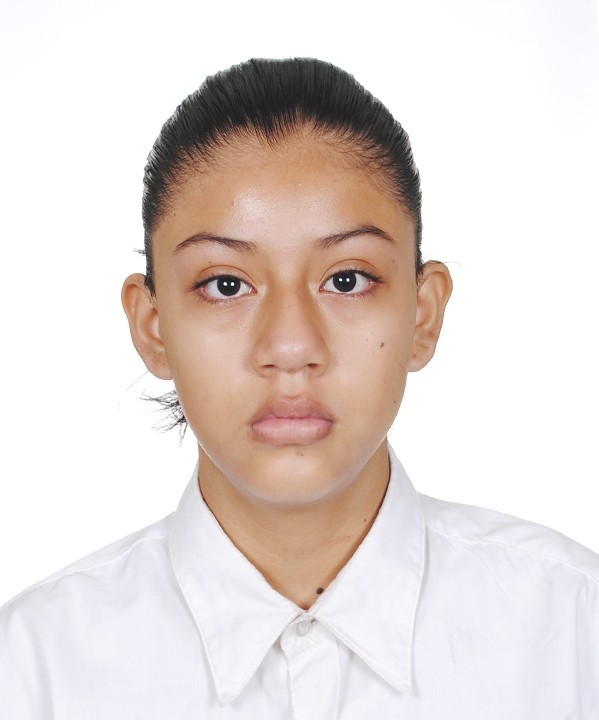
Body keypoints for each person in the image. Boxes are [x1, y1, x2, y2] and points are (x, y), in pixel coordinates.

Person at [1, 57, 597, 719]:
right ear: (153, 327)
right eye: (225, 284)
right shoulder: (32, 668)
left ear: (423, 315)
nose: (289, 347)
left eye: (346, 280)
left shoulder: (573, 629)